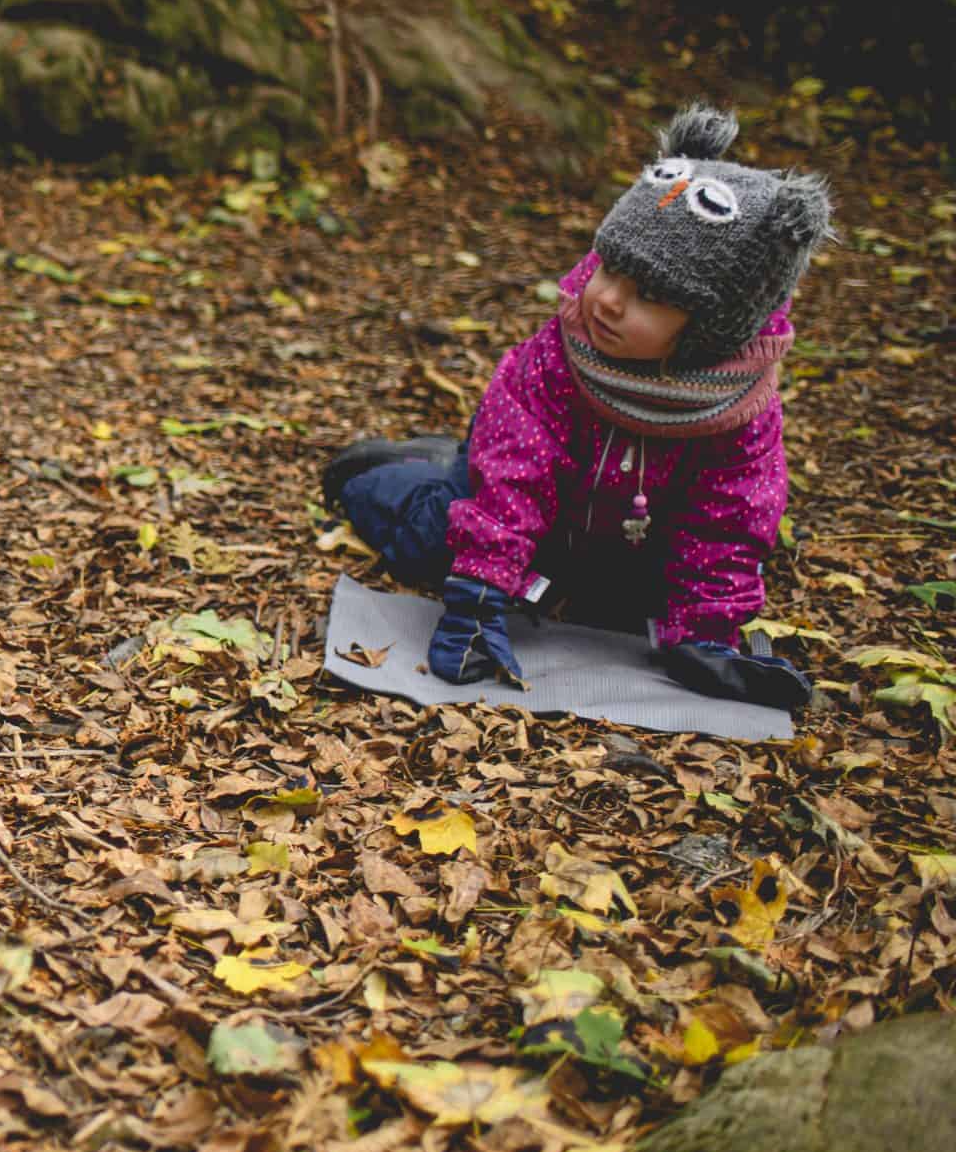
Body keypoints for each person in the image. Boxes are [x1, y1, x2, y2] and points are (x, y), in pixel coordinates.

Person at [322, 105, 828, 713]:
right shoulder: (560, 358)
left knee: (623, 611)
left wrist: (706, 631)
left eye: (650, 294)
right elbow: (515, 474)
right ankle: (385, 475)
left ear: (715, 326)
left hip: (628, 534)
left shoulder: (738, 406)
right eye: (610, 267)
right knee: (432, 544)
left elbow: (730, 517)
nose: (607, 299)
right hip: (521, 499)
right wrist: (481, 592)